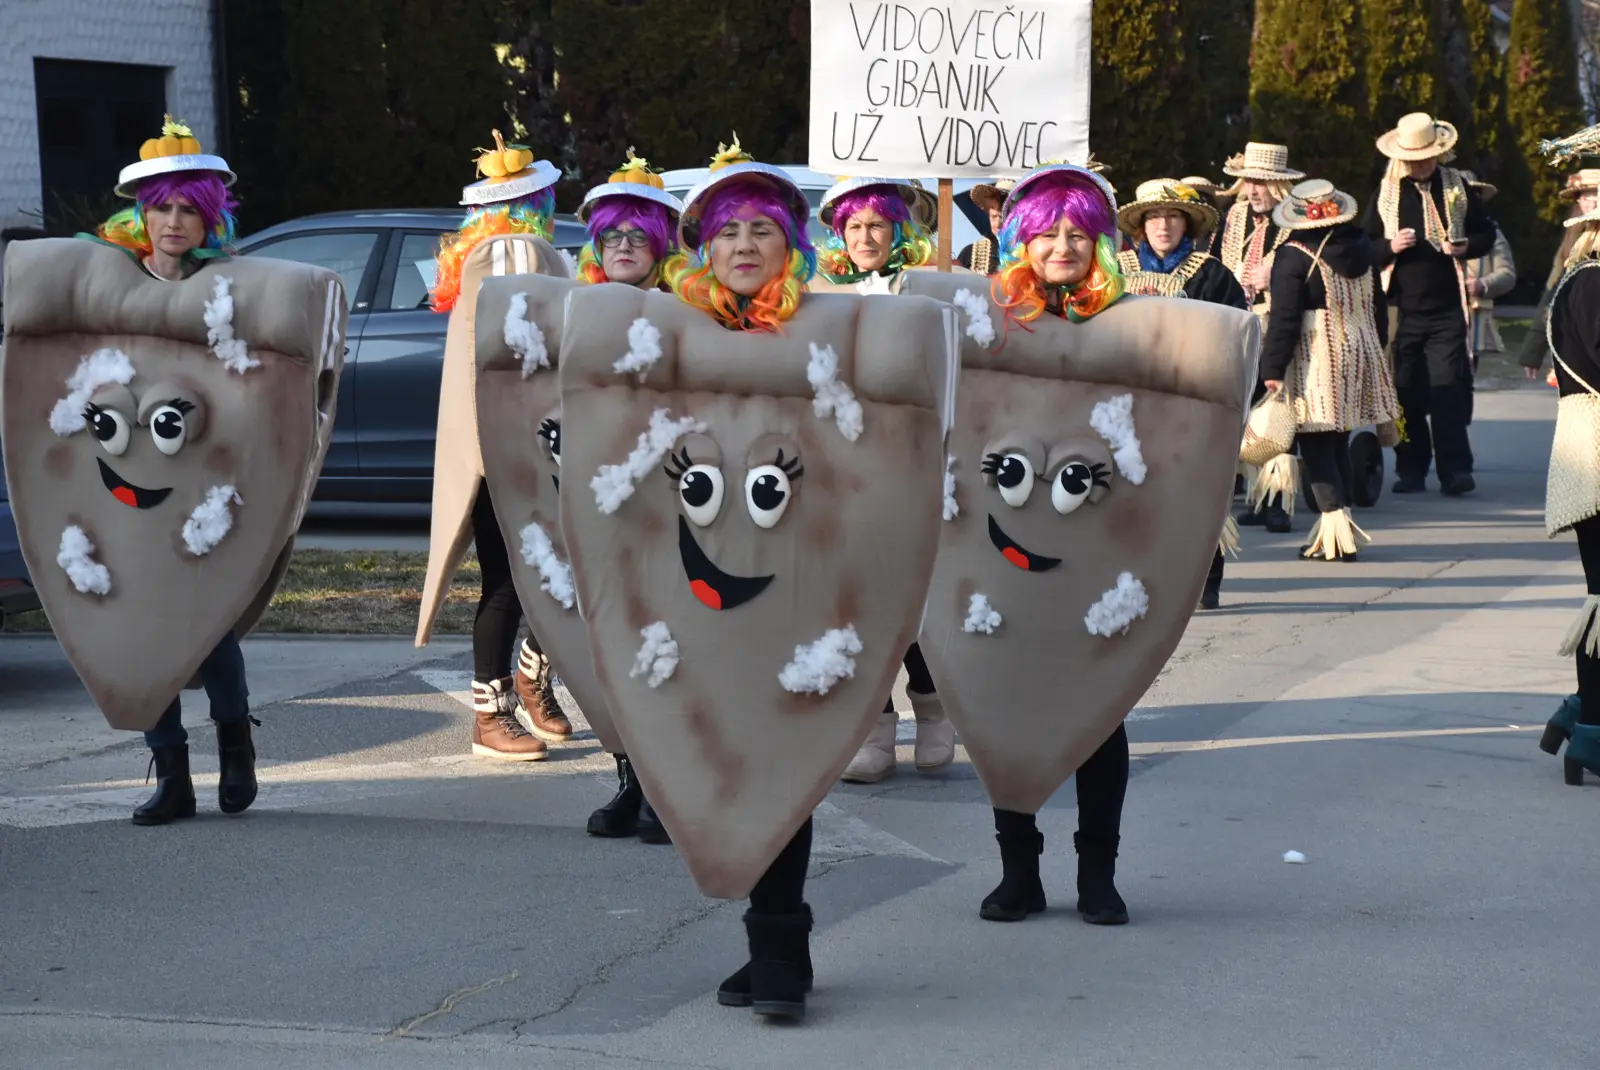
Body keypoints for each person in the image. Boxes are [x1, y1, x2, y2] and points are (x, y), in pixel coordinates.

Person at [664, 136, 827, 1019]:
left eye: (763, 228)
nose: (744, 244)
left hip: (792, 576)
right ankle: (769, 945)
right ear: (706, 250)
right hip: (695, 579)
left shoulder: (822, 328)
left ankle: (780, 954)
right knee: (722, 758)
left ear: (788, 246)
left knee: (782, 758)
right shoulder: (669, 333)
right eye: (728, 231)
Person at [83, 118, 258, 823]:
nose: (174, 221)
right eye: (162, 207)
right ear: (141, 213)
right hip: (126, 476)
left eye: (189, 208)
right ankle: (171, 770)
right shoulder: (109, 283)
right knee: (142, 624)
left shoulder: (227, 288)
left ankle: (236, 742)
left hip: (201, 478)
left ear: (208, 216)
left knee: (205, 621)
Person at [977, 163, 1136, 926]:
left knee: (1101, 709)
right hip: (1003, 539)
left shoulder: (1131, 325)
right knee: (1004, 708)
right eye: (1047, 233)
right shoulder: (988, 325)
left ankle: (1097, 872)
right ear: (1021, 241)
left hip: (1096, 540)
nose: (1062, 246)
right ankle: (1019, 870)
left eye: (1077, 233)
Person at [417, 130, 573, 761]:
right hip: (510, 448)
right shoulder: (515, 253)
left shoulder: (478, 256)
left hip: (518, 443)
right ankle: (493, 710)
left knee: (545, 574)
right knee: (515, 581)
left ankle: (531, 682)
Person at [811, 176, 956, 781]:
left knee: (913, 596)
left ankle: (933, 709)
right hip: (839, 468)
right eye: (853, 227)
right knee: (852, 601)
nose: (865, 237)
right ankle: (873, 723)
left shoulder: (925, 291)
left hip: (913, 464)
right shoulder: (815, 294)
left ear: (899, 229)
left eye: (876, 225)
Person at [572, 150, 683, 841]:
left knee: (662, 646)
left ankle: (664, 789)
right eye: (610, 236)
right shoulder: (579, 309)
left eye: (634, 237)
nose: (619, 246)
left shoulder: (680, 310)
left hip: (666, 503)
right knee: (610, 643)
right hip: (599, 497)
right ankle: (630, 777)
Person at [1116, 178, 1250, 608]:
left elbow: (1238, 338)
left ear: (1187, 224)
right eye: (1154, 217)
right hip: (1129, 401)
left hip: (1194, 399)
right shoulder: (1113, 271)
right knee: (1133, 494)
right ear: (1140, 225)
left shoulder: (1212, 274)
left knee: (1197, 494)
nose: (1163, 226)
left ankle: (1203, 584)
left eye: (1172, 216)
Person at [1259, 180, 1400, 563]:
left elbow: (1285, 318)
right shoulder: (1363, 248)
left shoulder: (1293, 254)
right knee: (1339, 439)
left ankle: (1337, 533)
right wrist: (1377, 346)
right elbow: (1378, 304)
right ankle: (1340, 528)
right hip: (1361, 346)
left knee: (1317, 442)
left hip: (1317, 354)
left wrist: (1272, 367)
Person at [1362, 112, 1495, 497]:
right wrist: (1390, 247)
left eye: (1425, 156)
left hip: (1447, 309)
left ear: (1438, 154)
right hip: (1400, 310)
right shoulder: (1387, 192)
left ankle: (1455, 470)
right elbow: (1363, 247)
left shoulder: (1458, 186)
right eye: (1412, 157)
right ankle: (1410, 469)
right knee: (1405, 391)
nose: (1419, 163)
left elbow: (1486, 232)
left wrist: (1466, 246)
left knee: (1448, 389)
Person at [1534, 123, 1600, 785]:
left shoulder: (1584, 277)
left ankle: (1582, 717)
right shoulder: (1595, 282)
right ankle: (1592, 729)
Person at [1219, 143, 1305, 533]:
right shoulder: (1234, 216)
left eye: (1261, 183)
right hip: (1238, 323)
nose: (1252, 190)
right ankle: (1257, 494)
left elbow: (1313, 271)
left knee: (1277, 410)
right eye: (1248, 182)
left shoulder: (1295, 220)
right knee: (1247, 410)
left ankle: (1278, 503)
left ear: (1279, 187)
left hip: (1278, 324)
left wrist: (1279, 277)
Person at [1519, 170, 1600, 380]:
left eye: (1596, 195)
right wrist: (1533, 349)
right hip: (1580, 339)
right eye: (1585, 197)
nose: (1591, 203)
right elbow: (1554, 295)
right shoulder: (1573, 240)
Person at [1460, 173, 1515, 361]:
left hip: (1472, 322)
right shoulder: (1433, 230)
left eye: (1474, 195)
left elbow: (1507, 274)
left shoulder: (1492, 234)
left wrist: (1481, 285)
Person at [958, 177, 1014, 274]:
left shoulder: (1035, 251)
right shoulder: (970, 254)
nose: (997, 224)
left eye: (1004, 218)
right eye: (994, 216)